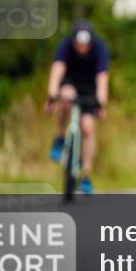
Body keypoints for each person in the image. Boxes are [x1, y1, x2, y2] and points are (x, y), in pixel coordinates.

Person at [45, 20, 109, 194]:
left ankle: (86, 174)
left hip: (89, 89)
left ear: (90, 42)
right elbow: (57, 71)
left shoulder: (100, 48)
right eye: (78, 44)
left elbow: (102, 79)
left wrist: (101, 104)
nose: (81, 48)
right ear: (73, 41)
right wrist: (51, 98)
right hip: (70, 83)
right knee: (65, 97)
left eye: (85, 44)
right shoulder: (65, 46)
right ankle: (59, 137)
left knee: (88, 128)